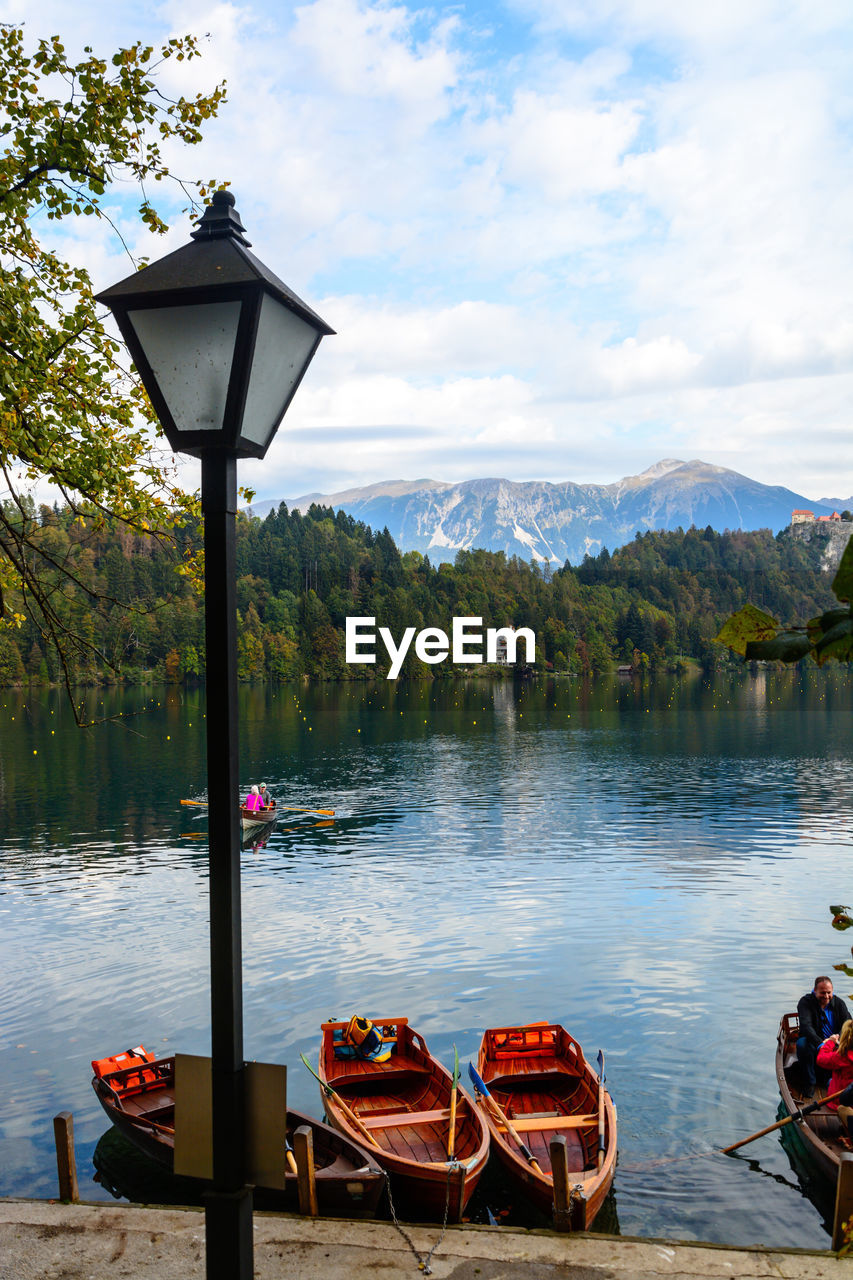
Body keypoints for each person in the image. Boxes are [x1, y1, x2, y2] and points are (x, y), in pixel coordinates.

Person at [797, 976, 851, 1097]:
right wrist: (821, 1044)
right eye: (822, 993)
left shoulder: (839, 1003)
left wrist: (837, 1039)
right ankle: (810, 1082)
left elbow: (848, 1023)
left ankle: (838, 1081)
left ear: (833, 991)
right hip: (814, 1042)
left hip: (836, 1042)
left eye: (829, 993)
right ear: (815, 990)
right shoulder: (805, 1002)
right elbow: (806, 1027)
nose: (826, 996)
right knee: (802, 1044)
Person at [817, 1020, 853, 1143]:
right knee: (830, 1080)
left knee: (829, 1082)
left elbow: (821, 1059)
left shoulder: (842, 1056)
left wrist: (830, 1043)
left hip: (842, 1099)